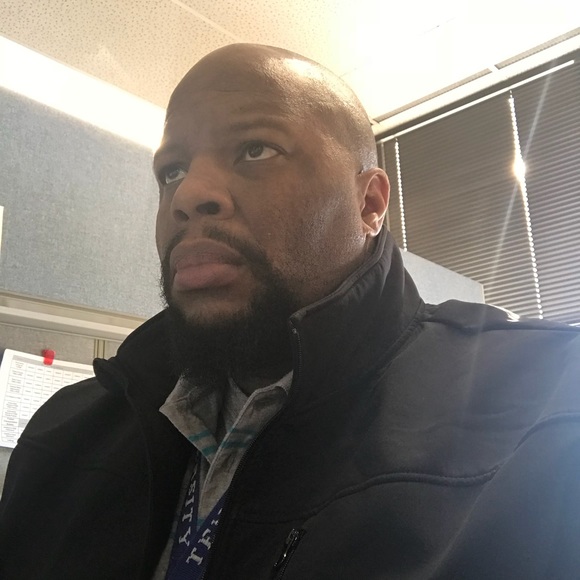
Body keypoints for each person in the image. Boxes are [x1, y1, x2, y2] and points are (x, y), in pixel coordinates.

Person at [1, 43, 580, 580]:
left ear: (370, 202)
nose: (188, 195)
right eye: (171, 171)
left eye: (256, 150)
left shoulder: (546, 406)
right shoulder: (64, 433)